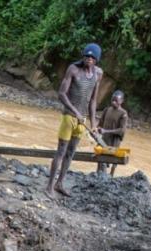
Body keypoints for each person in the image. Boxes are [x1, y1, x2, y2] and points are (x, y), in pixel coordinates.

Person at [46, 43, 103, 197]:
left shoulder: (98, 74)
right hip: (69, 117)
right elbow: (62, 94)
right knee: (61, 151)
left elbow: (93, 100)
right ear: (83, 56)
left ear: (96, 59)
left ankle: (60, 184)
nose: (89, 59)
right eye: (87, 56)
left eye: (92, 57)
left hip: (82, 120)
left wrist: (93, 125)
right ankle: (49, 187)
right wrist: (75, 111)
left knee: (71, 152)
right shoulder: (73, 69)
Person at [96, 90, 128, 174]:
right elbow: (100, 124)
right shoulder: (106, 110)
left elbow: (121, 130)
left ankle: (111, 175)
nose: (113, 102)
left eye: (116, 100)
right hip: (103, 140)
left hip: (114, 142)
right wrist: (97, 129)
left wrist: (106, 131)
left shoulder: (123, 113)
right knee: (100, 160)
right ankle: (99, 174)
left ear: (121, 101)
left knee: (113, 162)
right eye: (112, 100)